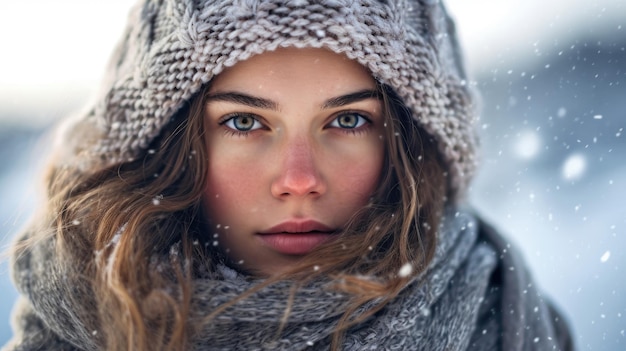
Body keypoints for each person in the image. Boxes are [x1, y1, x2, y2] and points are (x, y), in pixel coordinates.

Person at [3, 0, 574, 350]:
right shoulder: (73, 330)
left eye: (348, 119)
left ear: (413, 146)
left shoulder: (504, 325)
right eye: (245, 121)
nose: (299, 180)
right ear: (163, 145)